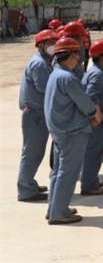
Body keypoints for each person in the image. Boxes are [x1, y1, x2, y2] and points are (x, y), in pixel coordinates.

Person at [44, 37, 103, 225]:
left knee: (58, 171)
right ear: (70, 55)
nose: (79, 57)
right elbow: (85, 104)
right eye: (77, 54)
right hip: (72, 131)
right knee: (68, 173)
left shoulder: (56, 74)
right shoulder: (68, 78)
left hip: (59, 130)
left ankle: (54, 207)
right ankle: (59, 212)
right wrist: (95, 114)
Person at [17, 29, 58, 202]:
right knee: (32, 151)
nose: (53, 46)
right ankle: (26, 189)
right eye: (50, 43)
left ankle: (28, 183)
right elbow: (43, 87)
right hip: (35, 113)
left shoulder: (44, 61)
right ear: (41, 45)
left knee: (35, 151)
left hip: (36, 112)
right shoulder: (39, 64)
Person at [80, 41, 103, 196]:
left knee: (94, 152)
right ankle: (89, 185)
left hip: (99, 120)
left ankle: (91, 179)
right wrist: (97, 113)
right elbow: (90, 94)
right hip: (98, 122)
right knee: (93, 152)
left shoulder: (96, 71)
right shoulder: (97, 74)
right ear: (102, 57)